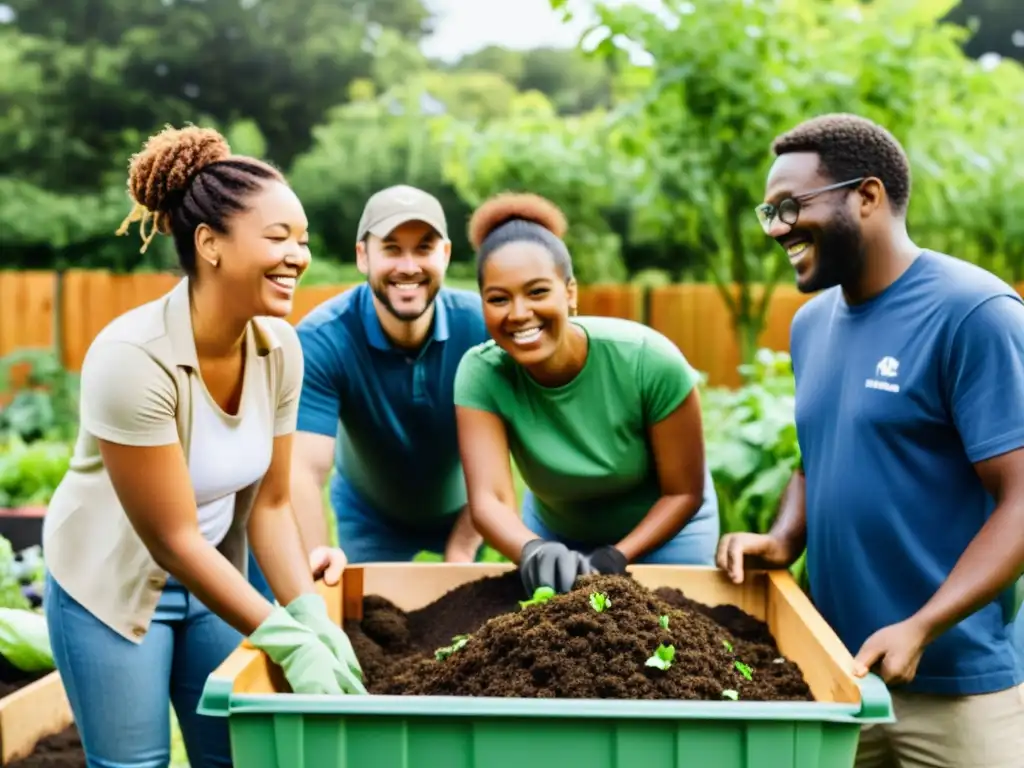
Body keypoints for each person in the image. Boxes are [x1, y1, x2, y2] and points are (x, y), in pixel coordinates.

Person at [42, 125, 366, 768]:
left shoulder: (281, 349)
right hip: (111, 582)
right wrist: (288, 642)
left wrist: (310, 615)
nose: (298, 256)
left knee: (235, 756)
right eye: (277, 238)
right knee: (136, 764)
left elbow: (270, 508)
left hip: (215, 576)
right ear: (210, 243)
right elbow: (171, 539)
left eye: (301, 240)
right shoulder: (133, 358)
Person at [718, 113, 1024, 767]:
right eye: (768, 211)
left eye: (791, 206)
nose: (776, 228)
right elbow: (817, 459)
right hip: (834, 676)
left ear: (868, 195)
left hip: (959, 694)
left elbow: (1021, 499)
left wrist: (923, 626)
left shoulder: (973, 314)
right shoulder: (810, 326)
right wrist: (782, 538)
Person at [452, 192, 720, 596]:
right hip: (556, 538)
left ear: (570, 292)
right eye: (498, 299)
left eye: (537, 292)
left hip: (665, 536)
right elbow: (489, 500)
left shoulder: (648, 360)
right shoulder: (482, 373)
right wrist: (534, 551)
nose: (519, 313)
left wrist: (616, 556)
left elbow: (684, 492)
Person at [280, 184, 489, 571]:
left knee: (472, 624)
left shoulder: (482, 327)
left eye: (424, 248)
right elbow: (303, 470)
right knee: (369, 623)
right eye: (391, 248)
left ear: (445, 254)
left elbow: (509, 450)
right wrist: (318, 563)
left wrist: (461, 551)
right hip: (370, 514)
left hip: (469, 507)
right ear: (363, 256)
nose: (408, 266)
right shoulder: (322, 338)